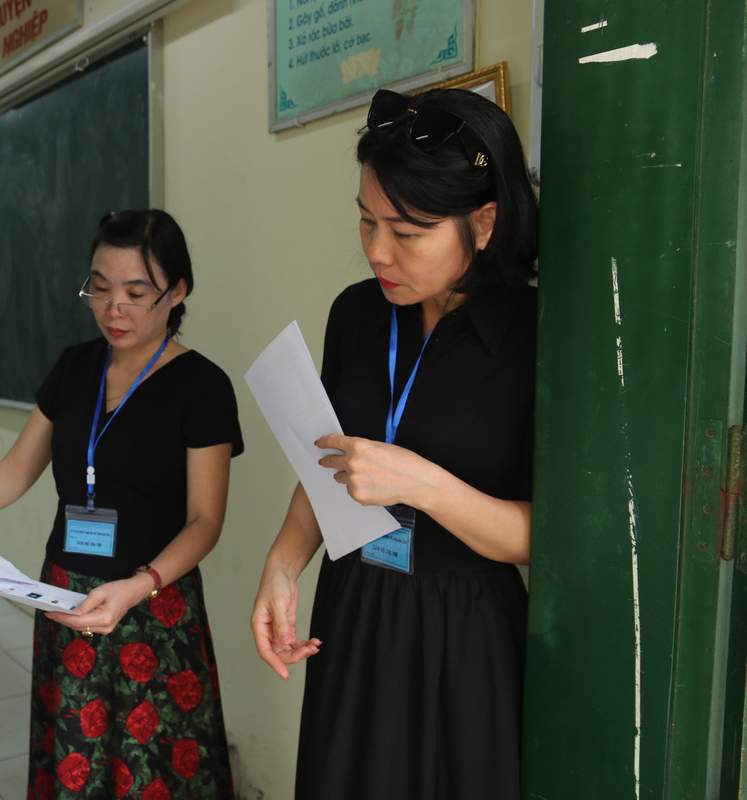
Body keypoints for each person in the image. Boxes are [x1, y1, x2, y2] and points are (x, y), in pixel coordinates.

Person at [250, 87, 539, 799]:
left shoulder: (534, 338)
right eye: (366, 221)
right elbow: (331, 460)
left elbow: (541, 532)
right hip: (355, 604)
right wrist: (284, 563)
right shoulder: (357, 314)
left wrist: (421, 484)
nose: (379, 252)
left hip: (464, 630)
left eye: (407, 233)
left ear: (486, 221)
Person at [0, 209, 242, 799]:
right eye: (99, 290)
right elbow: (17, 467)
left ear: (177, 291)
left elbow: (205, 520)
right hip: (65, 595)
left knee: (152, 765)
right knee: (74, 760)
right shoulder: (76, 366)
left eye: (136, 293)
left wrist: (140, 585)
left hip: (153, 605)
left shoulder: (202, 385)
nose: (114, 309)